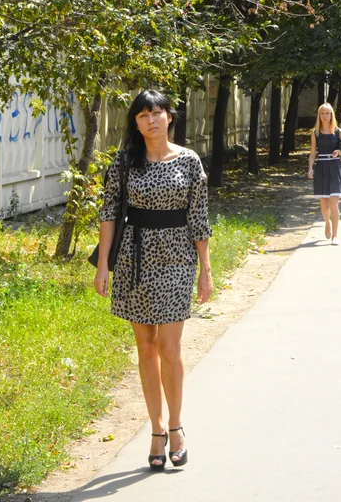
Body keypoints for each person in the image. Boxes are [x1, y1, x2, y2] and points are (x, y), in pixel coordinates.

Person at [94, 89, 213, 471]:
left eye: (157, 113)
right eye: (143, 115)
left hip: (178, 256)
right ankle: (157, 431)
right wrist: (102, 266)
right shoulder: (126, 161)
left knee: (170, 348)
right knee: (145, 347)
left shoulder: (189, 160)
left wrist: (205, 269)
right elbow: (110, 211)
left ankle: (176, 426)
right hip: (135, 257)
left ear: (169, 117)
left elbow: (199, 217)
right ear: (136, 122)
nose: (151, 120)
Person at [308, 103, 341, 245]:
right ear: (319, 115)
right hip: (321, 167)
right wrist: (310, 168)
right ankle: (327, 222)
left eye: (327, 113)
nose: (325, 116)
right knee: (324, 207)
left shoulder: (338, 132)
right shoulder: (315, 133)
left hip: (335, 167)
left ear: (331, 115)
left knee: (334, 205)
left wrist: (340, 152)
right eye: (322, 113)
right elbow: (312, 153)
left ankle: (335, 236)